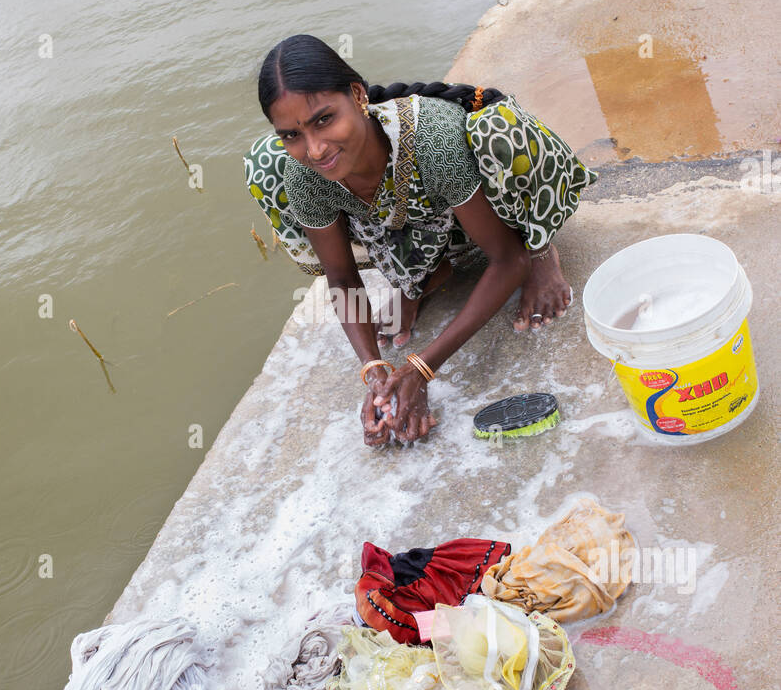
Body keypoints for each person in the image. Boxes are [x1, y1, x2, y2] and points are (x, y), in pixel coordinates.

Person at [244, 34, 597, 447]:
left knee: (497, 134)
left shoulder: (432, 138)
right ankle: (426, 276)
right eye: (292, 135)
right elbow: (340, 279)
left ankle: (540, 247)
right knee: (265, 167)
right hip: (419, 218)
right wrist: (375, 373)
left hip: (487, 213)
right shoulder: (305, 175)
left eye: (324, 119)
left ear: (357, 95)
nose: (316, 148)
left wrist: (420, 368)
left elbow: (505, 261)